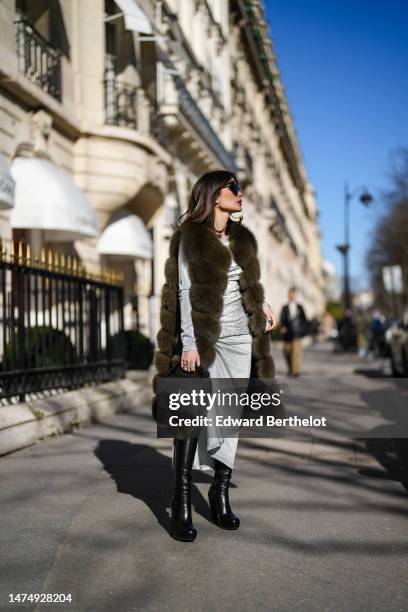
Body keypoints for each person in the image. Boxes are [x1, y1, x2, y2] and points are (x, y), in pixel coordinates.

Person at [152, 170, 277, 542]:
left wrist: (263, 306)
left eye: (240, 188)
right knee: (190, 415)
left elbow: (246, 283)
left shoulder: (241, 238)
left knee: (229, 417)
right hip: (207, 339)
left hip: (240, 340)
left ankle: (219, 493)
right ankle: (182, 502)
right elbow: (186, 294)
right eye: (233, 188)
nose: (240, 194)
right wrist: (190, 344)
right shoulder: (191, 237)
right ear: (214, 195)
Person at [279, 287, 309, 376]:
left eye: (294, 294)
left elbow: (304, 320)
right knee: (287, 352)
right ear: (288, 295)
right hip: (287, 333)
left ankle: (295, 371)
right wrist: (283, 327)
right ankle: (290, 368)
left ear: (296, 295)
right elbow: (282, 318)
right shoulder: (285, 307)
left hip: (297, 333)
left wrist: (303, 330)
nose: (292, 296)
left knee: (296, 353)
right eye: (290, 294)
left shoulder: (300, 307)